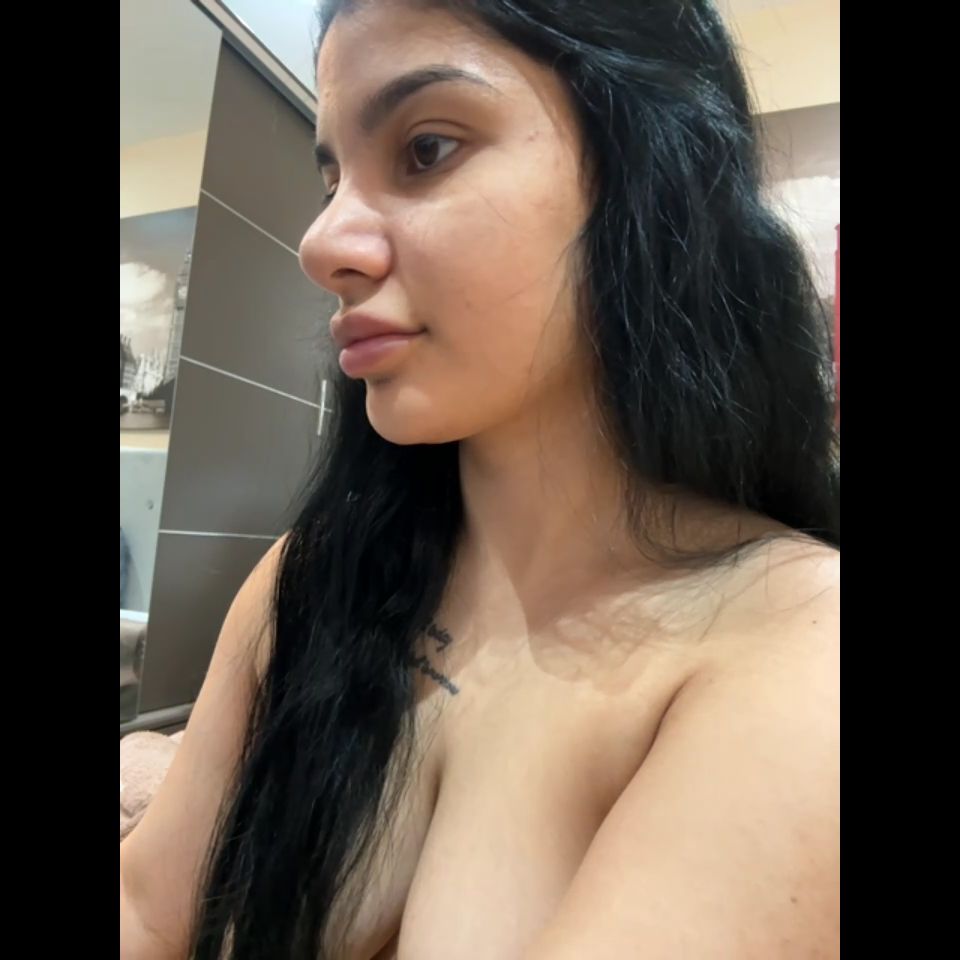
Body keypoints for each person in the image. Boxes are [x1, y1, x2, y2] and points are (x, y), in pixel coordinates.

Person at [120, 2, 840, 957]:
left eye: (425, 150)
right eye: (332, 179)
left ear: (650, 172)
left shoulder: (799, 650)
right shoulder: (317, 576)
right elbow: (146, 908)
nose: (321, 243)